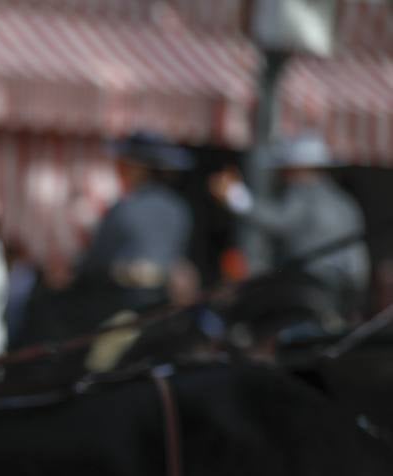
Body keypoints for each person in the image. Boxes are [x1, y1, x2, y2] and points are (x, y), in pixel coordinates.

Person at [210, 132, 370, 335]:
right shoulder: (344, 202)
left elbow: (279, 220)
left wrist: (237, 198)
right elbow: (357, 255)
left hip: (306, 282)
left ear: (298, 168)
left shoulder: (303, 193)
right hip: (341, 286)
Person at [72, 131, 196, 326]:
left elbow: (97, 259)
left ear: (138, 169)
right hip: (166, 304)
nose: (119, 168)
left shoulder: (125, 208)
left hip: (123, 303)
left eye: (123, 164)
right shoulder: (178, 208)